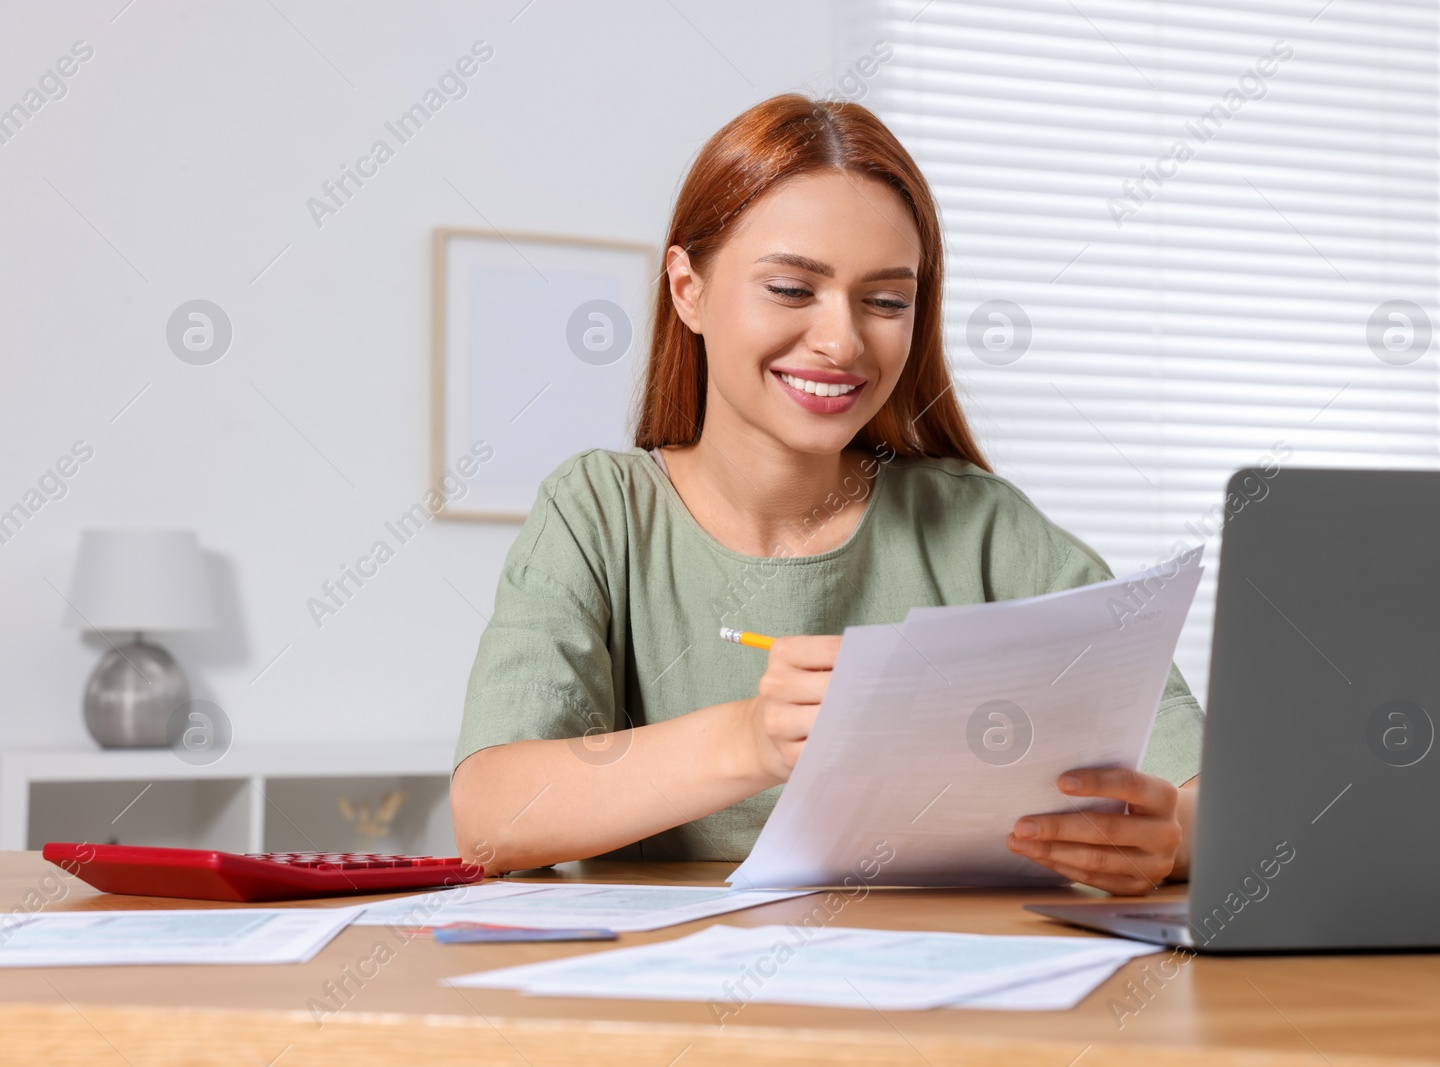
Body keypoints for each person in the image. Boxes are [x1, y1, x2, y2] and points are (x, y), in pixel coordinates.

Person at [450, 94, 1202, 896]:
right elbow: (490, 817)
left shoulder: (981, 527)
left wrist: (1171, 838)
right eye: (791, 289)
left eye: (885, 301)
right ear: (687, 290)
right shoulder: (599, 512)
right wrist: (754, 739)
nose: (842, 341)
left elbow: (1199, 786)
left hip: (946, 982)